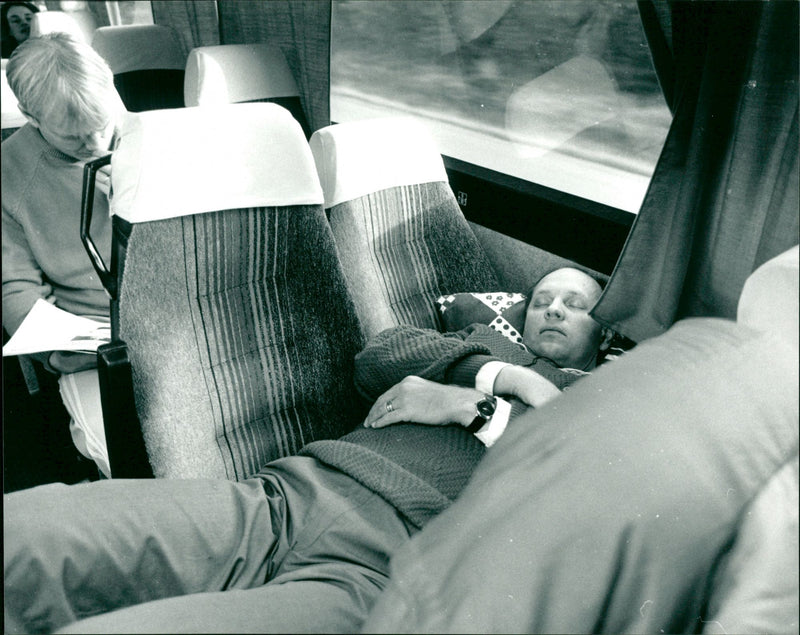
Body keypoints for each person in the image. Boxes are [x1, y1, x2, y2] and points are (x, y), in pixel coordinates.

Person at [4, 267, 611, 634]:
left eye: (575, 304)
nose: (553, 308)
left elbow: (575, 484)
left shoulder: (611, 404)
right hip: (281, 499)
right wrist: (498, 376)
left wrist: (466, 407)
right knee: (25, 531)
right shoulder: (479, 344)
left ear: (604, 333)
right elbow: (378, 356)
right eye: (541, 300)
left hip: (382, 572)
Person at [2, 32, 125, 477]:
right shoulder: (9, 174)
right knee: (118, 454)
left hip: (172, 323)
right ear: (29, 117)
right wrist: (54, 355)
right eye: (73, 138)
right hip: (89, 340)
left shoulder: (152, 137)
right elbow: (13, 285)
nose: (95, 144)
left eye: (101, 125)